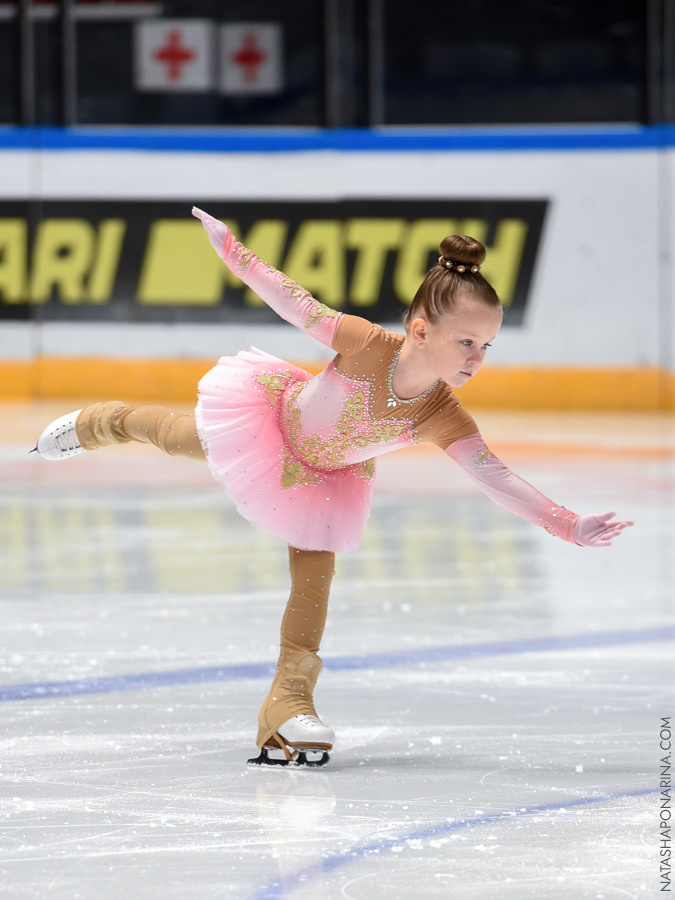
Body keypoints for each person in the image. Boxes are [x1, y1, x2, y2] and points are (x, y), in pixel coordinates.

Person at [33, 207, 633, 766]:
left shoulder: (442, 414)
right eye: (467, 342)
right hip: (272, 426)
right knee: (170, 434)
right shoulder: (368, 343)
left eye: (487, 346)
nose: (478, 358)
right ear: (421, 331)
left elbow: (495, 477)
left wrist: (567, 524)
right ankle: (99, 422)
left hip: (327, 479)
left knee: (314, 580)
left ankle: (287, 705)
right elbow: (295, 301)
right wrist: (233, 252)